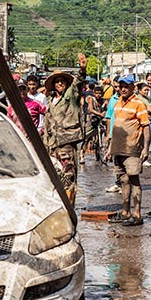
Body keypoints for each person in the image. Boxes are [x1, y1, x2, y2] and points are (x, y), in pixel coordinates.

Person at [42, 54, 87, 204]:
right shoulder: (50, 100)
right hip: (52, 145)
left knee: (69, 176)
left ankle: (70, 208)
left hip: (66, 142)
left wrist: (82, 69)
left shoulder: (71, 95)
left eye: (62, 81)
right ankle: (59, 206)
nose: (60, 83)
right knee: (55, 177)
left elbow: (77, 83)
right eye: (57, 81)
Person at [107, 75, 150, 227]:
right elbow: (115, 125)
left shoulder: (139, 104)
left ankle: (137, 214)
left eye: (126, 86)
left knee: (134, 179)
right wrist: (110, 147)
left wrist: (146, 148)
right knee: (123, 180)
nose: (123, 89)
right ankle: (125, 212)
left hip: (132, 149)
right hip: (118, 148)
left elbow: (145, 126)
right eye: (121, 86)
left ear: (133, 87)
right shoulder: (117, 103)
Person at [136, 82, 151, 165]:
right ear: (140, 91)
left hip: (150, 121)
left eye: (148, 90)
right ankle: (143, 159)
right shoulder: (140, 99)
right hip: (145, 121)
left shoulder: (146, 99)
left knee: (147, 140)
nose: (147, 92)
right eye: (145, 90)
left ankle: (144, 157)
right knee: (145, 140)